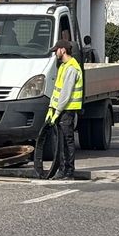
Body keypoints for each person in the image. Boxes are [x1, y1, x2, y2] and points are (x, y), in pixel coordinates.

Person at [46, 40, 84, 180]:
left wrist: (57, 112)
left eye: (56, 50)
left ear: (63, 50)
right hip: (60, 110)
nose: (55, 53)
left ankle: (68, 171)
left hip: (66, 111)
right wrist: (51, 107)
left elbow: (66, 94)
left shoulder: (71, 68)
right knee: (60, 142)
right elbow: (57, 90)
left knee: (67, 142)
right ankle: (62, 170)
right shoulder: (64, 66)